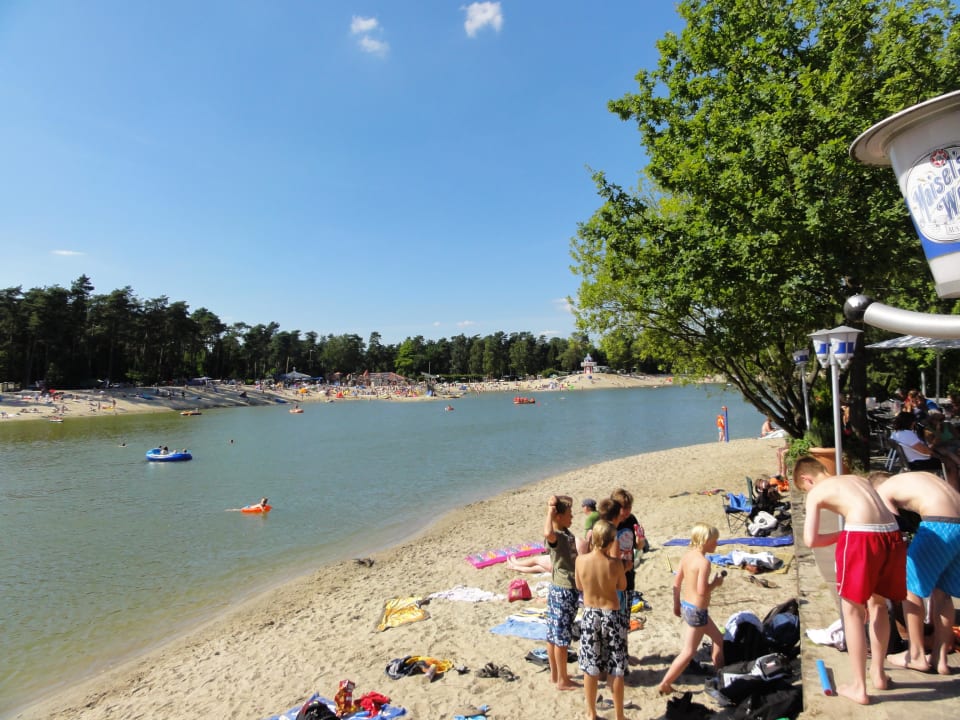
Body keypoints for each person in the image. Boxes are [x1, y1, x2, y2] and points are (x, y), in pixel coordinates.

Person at [793, 457, 906, 705]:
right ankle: (879, 674)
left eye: (805, 489)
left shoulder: (817, 492)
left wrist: (839, 535)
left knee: (852, 612)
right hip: (892, 533)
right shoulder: (857, 479)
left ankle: (859, 687)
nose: (808, 492)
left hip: (862, 536)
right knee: (879, 605)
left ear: (806, 479)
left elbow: (810, 540)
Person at [869, 470, 960, 675]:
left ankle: (916, 655)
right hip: (957, 522)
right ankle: (940, 658)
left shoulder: (883, 490)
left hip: (938, 522)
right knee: (943, 592)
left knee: (909, 587)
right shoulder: (918, 478)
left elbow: (893, 527)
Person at [658, 522, 725, 695]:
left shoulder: (687, 556)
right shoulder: (704, 563)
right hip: (697, 611)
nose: (717, 543)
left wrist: (676, 604)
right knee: (688, 652)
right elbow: (702, 591)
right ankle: (666, 683)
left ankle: (720, 674)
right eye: (714, 540)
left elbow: (677, 582)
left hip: (688, 607)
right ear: (705, 541)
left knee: (718, 639)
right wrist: (716, 583)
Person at [575, 519, 628, 720]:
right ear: (610, 541)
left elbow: (579, 586)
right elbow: (622, 586)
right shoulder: (615, 564)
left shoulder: (580, 560)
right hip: (611, 614)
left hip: (590, 615)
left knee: (591, 667)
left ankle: (591, 712)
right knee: (616, 667)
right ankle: (619, 715)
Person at [543, 494, 579, 691]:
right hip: (563, 590)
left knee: (553, 635)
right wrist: (550, 511)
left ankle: (556, 675)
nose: (572, 516)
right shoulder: (556, 536)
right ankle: (562, 680)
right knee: (561, 638)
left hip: (562, 588)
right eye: (569, 513)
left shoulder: (564, 532)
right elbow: (547, 532)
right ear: (558, 517)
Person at [890, 412, 959, 489]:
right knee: (951, 465)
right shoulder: (908, 435)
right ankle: (953, 489)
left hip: (909, 460)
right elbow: (927, 452)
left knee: (945, 455)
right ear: (911, 422)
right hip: (919, 462)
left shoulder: (895, 433)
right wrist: (934, 446)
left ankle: (948, 486)